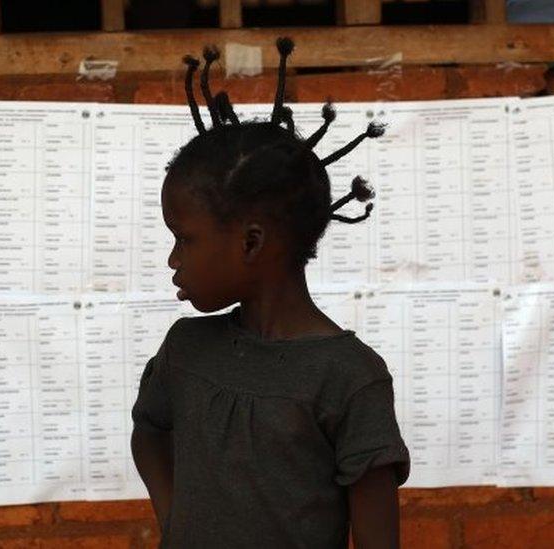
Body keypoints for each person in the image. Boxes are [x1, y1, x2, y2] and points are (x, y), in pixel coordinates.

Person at [130, 37, 410, 548]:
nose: (173, 259)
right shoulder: (185, 351)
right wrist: (176, 526)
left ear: (251, 242)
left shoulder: (350, 379)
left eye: (184, 239)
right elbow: (148, 433)